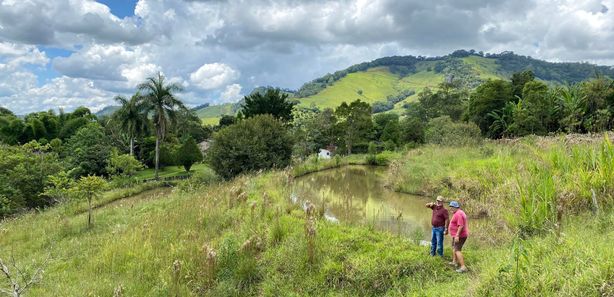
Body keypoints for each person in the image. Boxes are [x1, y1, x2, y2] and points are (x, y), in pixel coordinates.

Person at [448, 200, 469, 273]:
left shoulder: (458, 214)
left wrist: (457, 235)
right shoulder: (459, 212)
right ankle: (454, 262)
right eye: (450, 207)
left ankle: (463, 267)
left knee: (457, 250)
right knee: (454, 247)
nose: (450, 209)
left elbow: (461, 225)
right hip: (457, 235)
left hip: (460, 236)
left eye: (451, 207)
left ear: (455, 207)